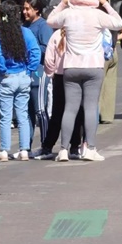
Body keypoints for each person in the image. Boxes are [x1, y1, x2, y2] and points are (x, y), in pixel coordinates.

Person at [47, 0, 122, 162]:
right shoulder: (97, 14)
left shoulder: (68, 13)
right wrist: (105, 3)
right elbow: (119, 23)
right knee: (90, 107)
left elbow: (50, 20)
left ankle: (63, 150)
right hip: (93, 66)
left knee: (70, 108)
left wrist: (62, 2)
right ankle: (90, 148)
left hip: (71, 66)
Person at [0, 0, 41, 162]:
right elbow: (35, 52)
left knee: (6, 117)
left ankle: (4, 151)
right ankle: (24, 150)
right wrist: (29, 70)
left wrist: (3, 70)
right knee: (23, 115)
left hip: (7, 78)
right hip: (23, 76)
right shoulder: (25, 32)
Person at [33, 29, 84, 159]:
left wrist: (51, 74)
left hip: (60, 77)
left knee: (57, 113)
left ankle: (48, 146)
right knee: (76, 112)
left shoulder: (55, 35)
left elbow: (49, 60)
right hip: (77, 75)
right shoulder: (79, 33)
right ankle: (74, 147)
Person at [22, 0, 54, 156]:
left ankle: (46, 146)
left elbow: (46, 47)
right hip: (26, 73)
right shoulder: (25, 25)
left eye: (28, 9)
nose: (24, 12)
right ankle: (25, 146)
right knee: (27, 111)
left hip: (40, 72)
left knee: (40, 110)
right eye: (24, 8)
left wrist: (30, 48)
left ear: (36, 10)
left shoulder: (43, 26)